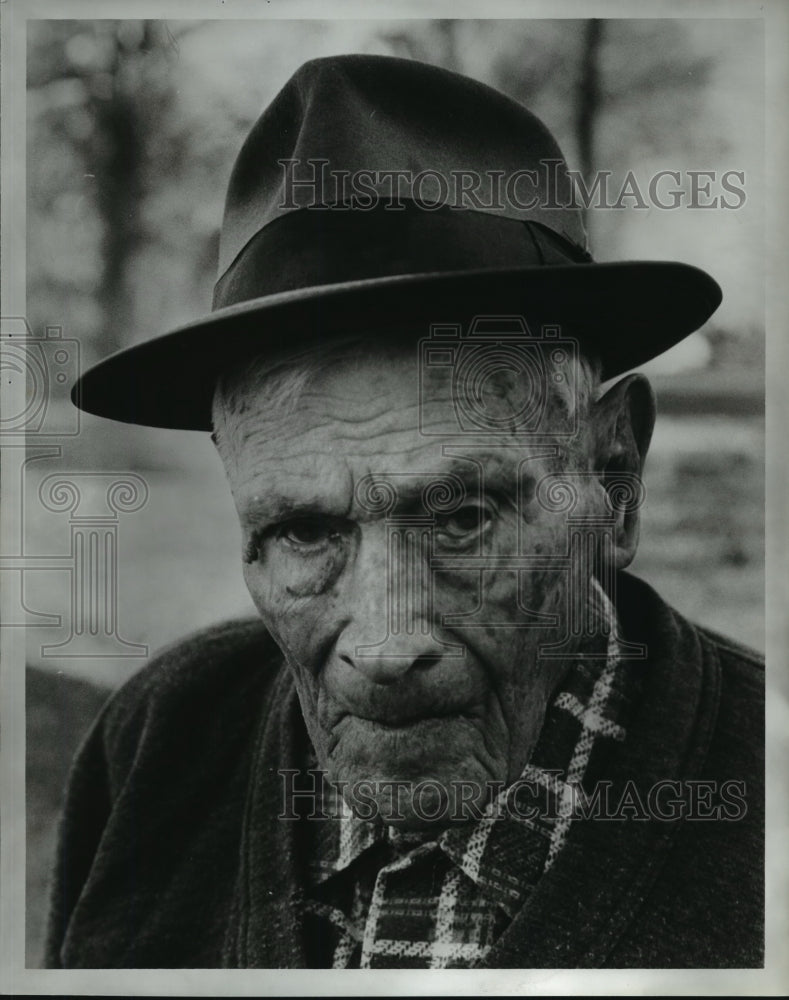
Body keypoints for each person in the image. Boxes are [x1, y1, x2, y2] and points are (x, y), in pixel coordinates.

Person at [45, 54, 763, 969]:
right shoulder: (159, 743)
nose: (384, 646)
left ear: (613, 478)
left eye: (462, 516)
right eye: (305, 531)